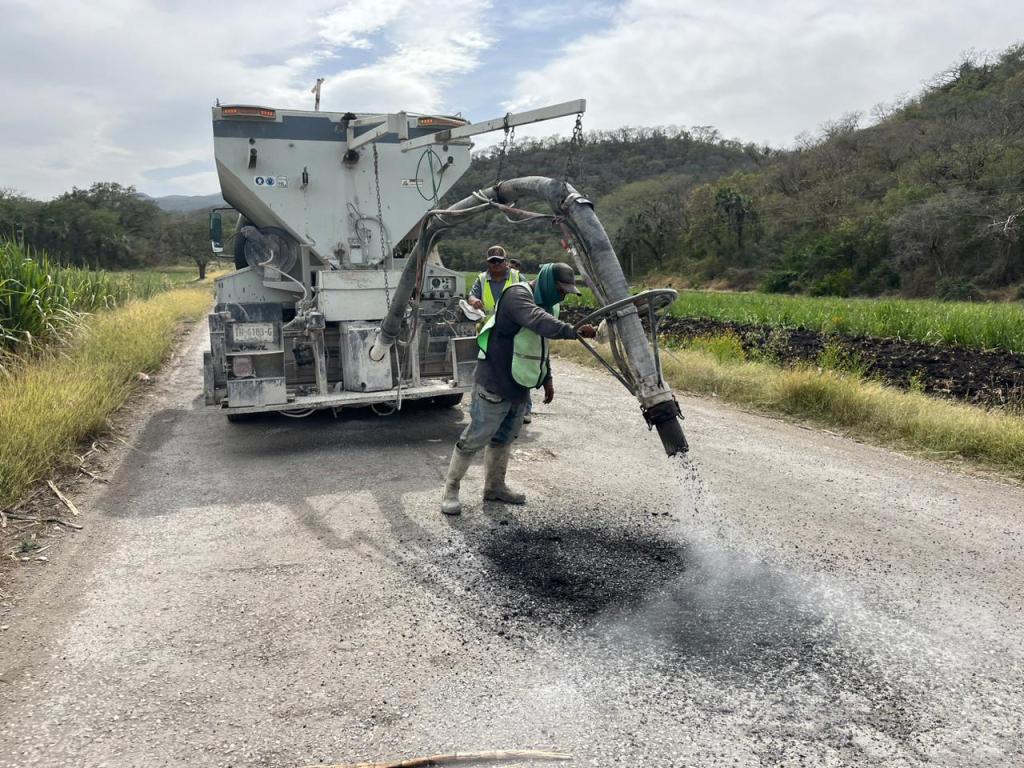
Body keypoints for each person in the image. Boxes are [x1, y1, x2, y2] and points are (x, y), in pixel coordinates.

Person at [441, 263, 597, 516]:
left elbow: (541, 343)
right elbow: (537, 321)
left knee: (504, 438)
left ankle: (494, 487)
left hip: (520, 382)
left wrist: (547, 378)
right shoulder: (517, 295)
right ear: (547, 282)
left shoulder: (549, 304)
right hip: (494, 380)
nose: (563, 295)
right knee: (476, 437)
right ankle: (451, 489)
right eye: (561, 289)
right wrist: (572, 330)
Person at [468, 245, 522, 316]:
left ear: (505, 261)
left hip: (513, 324)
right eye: (493, 261)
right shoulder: (482, 278)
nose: (496, 264)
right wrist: (474, 301)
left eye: (499, 260)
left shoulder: (517, 276)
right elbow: (472, 296)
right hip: (487, 325)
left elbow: (530, 298)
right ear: (488, 262)